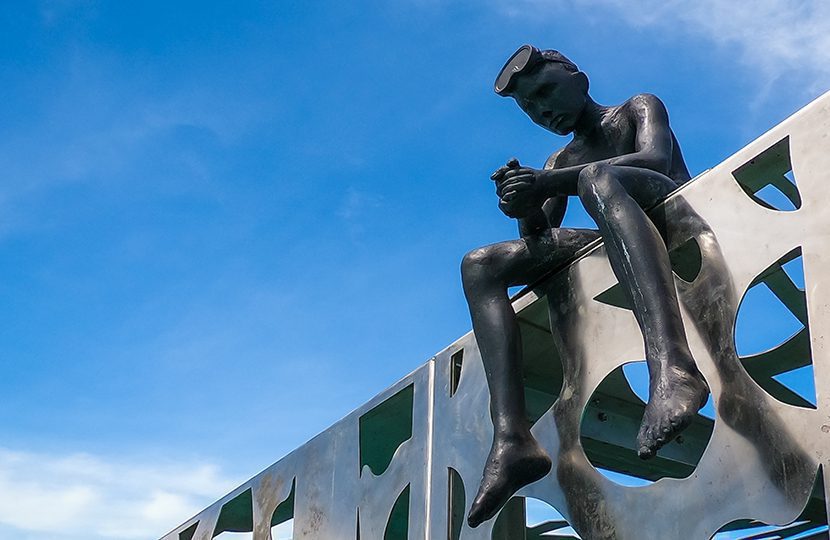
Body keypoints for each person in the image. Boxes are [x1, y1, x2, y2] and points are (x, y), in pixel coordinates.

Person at [460, 45, 710, 527]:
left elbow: (656, 160)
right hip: (616, 235)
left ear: (580, 79)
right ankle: (512, 440)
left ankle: (674, 369)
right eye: (530, 108)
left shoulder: (637, 108)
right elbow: (538, 240)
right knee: (480, 265)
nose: (543, 110)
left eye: (546, 92)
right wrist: (524, 202)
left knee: (597, 177)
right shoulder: (560, 160)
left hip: (677, 215)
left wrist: (548, 183)